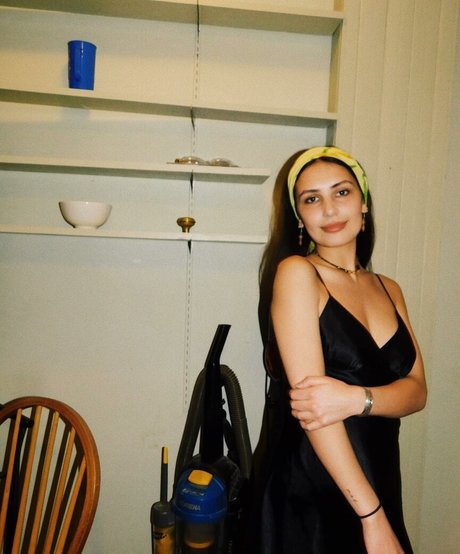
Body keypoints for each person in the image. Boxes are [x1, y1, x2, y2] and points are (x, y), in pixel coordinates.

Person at [243, 146, 427, 553]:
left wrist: (355, 399)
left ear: (364, 204)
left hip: (379, 477)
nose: (329, 209)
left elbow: (417, 392)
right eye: (312, 199)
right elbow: (315, 417)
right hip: (313, 490)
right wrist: (372, 518)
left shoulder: (390, 289)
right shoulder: (297, 274)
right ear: (299, 218)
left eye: (342, 192)